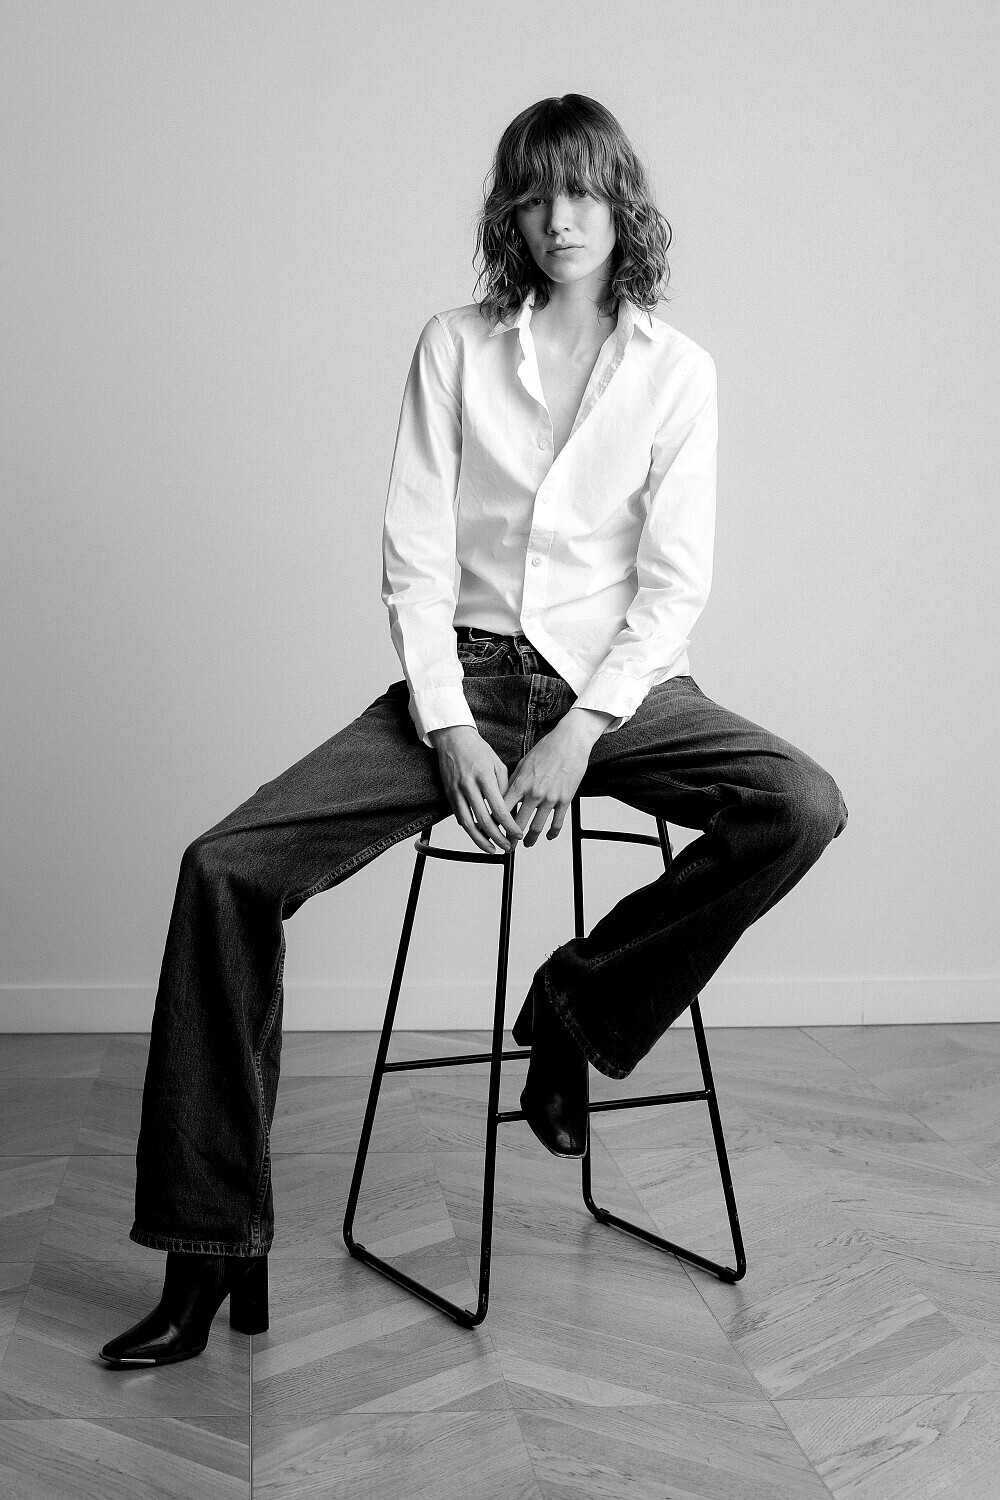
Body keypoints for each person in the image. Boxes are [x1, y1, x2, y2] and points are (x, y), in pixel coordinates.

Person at [100, 94, 847, 1367]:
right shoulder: (453, 345)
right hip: (468, 679)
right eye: (536, 194)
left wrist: (580, 732)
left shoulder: (677, 370)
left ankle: (574, 1011)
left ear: (622, 205)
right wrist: (448, 727)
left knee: (800, 803)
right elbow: (414, 555)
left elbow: (671, 587)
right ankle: (207, 1251)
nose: (561, 218)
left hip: (622, 690)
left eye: (583, 192)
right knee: (222, 869)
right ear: (511, 210)